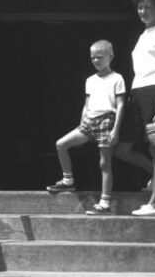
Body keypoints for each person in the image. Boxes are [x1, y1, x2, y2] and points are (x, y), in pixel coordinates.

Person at [115, 0, 155, 216]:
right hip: (137, 92)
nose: (143, 11)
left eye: (148, 7)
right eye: (140, 7)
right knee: (121, 148)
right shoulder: (142, 35)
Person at [46, 40, 126, 215]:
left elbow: (120, 105)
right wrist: (82, 122)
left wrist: (116, 130)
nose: (96, 61)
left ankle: (105, 203)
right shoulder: (90, 80)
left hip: (107, 120)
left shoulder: (117, 78)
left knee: (104, 163)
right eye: (93, 58)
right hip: (89, 121)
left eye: (100, 57)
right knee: (61, 144)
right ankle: (68, 180)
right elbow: (86, 104)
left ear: (110, 56)